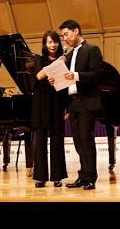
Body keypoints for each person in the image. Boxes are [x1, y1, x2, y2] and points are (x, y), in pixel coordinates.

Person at [54, 19, 103, 190]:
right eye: (62, 36)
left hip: (87, 101)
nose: (64, 38)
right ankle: (82, 176)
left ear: (76, 31)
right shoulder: (68, 54)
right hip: (73, 103)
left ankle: (91, 177)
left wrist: (76, 75)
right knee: (77, 141)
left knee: (85, 139)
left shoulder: (92, 49)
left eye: (66, 34)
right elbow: (66, 79)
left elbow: (97, 75)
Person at [31, 30, 69, 188]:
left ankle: (57, 177)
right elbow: (39, 76)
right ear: (45, 44)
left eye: (55, 42)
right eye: (49, 42)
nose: (53, 45)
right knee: (39, 141)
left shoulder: (64, 61)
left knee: (57, 141)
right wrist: (56, 64)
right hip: (41, 104)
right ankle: (40, 177)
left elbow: (66, 84)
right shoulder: (39, 59)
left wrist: (67, 107)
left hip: (57, 103)